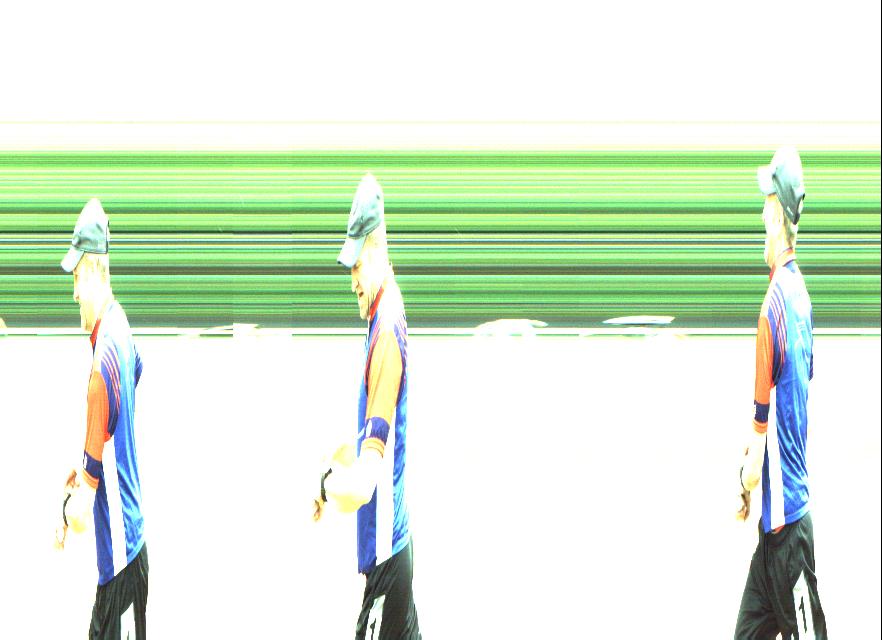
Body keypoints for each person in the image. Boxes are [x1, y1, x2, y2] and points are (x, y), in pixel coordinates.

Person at [314, 173, 421, 639]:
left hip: (387, 563)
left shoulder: (386, 334)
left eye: (357, 265)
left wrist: (328, 483)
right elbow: (371, 435)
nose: (353, 281)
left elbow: (362, 485)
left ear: (377, 247)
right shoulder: (383, 316)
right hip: (393, 555)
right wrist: (330, 474)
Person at [734, 148, 826, 638]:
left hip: (787, 538)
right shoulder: (802, 299)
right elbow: (798, 394)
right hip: (775, 541)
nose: (760, 214)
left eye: (765, 202)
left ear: (775, 214)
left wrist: (743, 481)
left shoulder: (772, 308)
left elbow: (756, 452)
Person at [54, 198, 149, 639]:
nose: (73, 292)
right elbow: (136, 372)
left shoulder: (98, 370)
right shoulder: (119, 327)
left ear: (94, 269)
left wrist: (64, 509)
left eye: (76, 277)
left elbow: (80, 514)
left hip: (120, 562)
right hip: (127, 552)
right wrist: (95, 459)